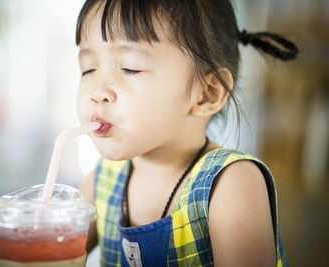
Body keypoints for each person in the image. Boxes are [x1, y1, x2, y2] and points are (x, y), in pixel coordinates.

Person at [75, 0, 297, 266]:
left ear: (207, 93)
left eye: (130, 67)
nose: (97, 92)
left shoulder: (229, 184)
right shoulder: (103, 182)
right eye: (88, 68)